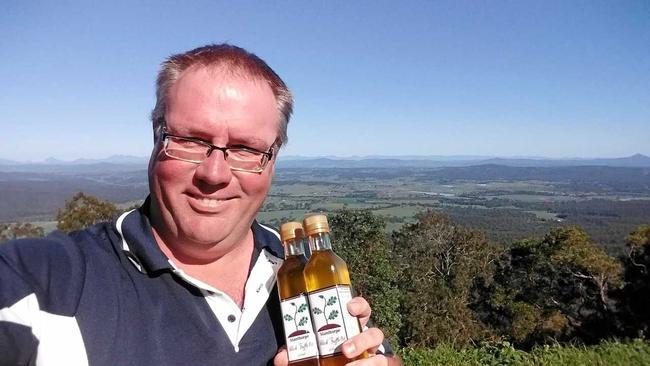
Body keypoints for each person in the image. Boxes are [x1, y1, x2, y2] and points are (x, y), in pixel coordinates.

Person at [0, 44, 402, 366]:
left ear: (272, 161)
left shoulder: (300, 272)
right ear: (157, 138)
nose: (214, 173)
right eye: (191, 140)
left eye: (246, 148)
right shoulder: (47, 282)